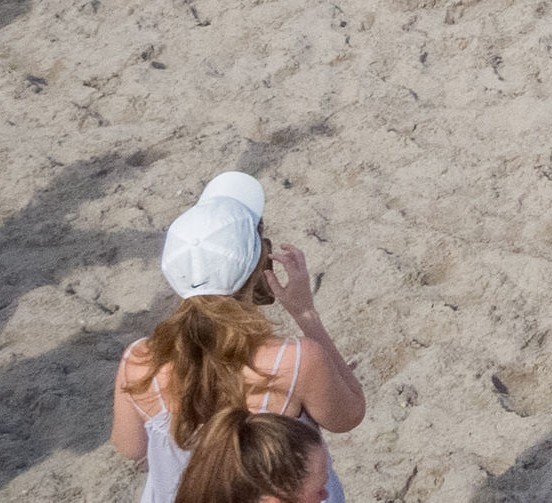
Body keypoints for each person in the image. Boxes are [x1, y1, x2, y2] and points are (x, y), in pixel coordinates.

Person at [113, 172, 365, 503]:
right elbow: (350, 414)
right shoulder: (294, 360)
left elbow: (130, 447)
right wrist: (306, 316)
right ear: (257, 268)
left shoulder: (140, 360)